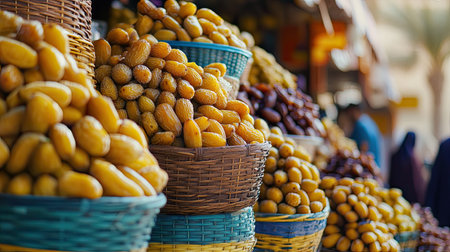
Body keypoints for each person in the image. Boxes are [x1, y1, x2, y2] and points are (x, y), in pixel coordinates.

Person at [389, 132, 426, 204]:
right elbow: (415, 182)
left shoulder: (395, 155)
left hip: (395, 194)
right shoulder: (413, 159)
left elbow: (391, 176)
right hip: (410, 197)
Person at [425, 138, 450, 227]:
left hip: (443, 207)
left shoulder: (445, 145)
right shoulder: (445, 145)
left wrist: (429, 206)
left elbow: (434, 181)